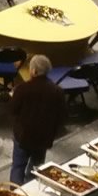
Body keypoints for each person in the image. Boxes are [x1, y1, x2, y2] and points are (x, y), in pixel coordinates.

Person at [8, 53, 66, 184]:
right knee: (36, 167)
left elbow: (12, 110)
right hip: (44, 137)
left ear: (33, 71)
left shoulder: (22, 89)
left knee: (18, 166)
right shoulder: (57, 91)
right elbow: (62, 116)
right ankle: (31, 191)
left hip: (23, 135)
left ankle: (15, 194)